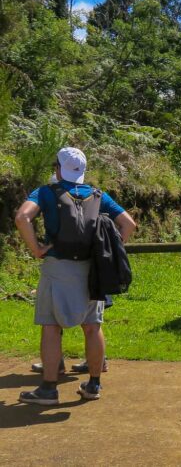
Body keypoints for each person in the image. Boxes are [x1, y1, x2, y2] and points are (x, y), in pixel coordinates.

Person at [15, 147, 137, 405]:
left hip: (57, 267)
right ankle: (93, 384)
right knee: (93, 327)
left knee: (51, 326)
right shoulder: (98, 194)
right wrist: (108, 253)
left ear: (58, 168)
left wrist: (37, 249)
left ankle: (49, 389)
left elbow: (22, 217)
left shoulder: (46, 192)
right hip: (91, 270)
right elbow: (128, 225)